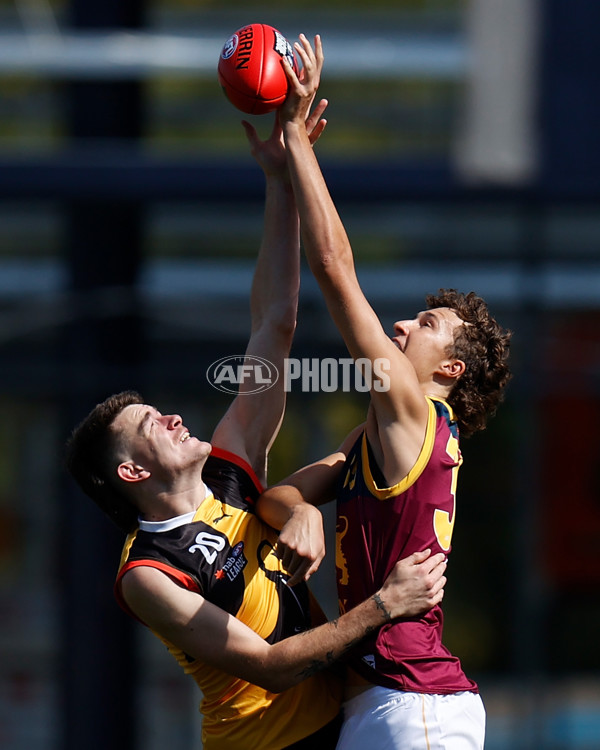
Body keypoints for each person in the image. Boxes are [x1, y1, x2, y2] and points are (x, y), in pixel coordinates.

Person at [64, 103, 448, 750]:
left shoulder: (229, 468)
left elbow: (274, 322)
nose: (174, 416)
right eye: (152, 425)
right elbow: (272, 665)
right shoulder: (150, 575)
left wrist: (278, 181)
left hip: (344, 724)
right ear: (133, 472)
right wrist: (386, 604)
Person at [258, 34, 512, 750]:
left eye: (426, 324)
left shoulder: (411, 410)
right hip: (385, 706)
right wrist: (305, 510)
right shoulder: (381, 438)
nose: (402, 323)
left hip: (415, 705)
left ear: (451, 370)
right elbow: (275, 498)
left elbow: (335, 271)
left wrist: (296, 141)